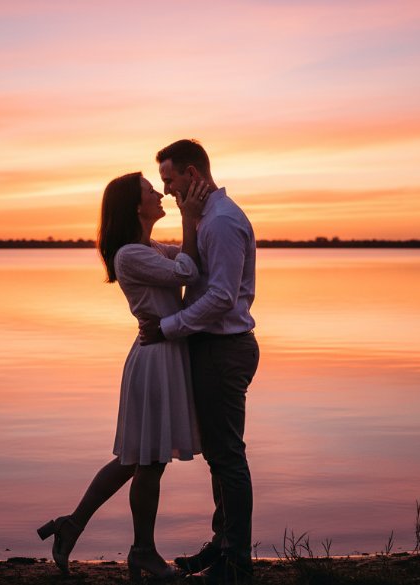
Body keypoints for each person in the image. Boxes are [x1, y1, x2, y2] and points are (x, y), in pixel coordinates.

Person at [38, 171, 209, 582]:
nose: (158, 194)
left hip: (161, 354)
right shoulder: (131, 254)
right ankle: (143, 553)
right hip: (154, 361)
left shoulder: (147, 247)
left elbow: (190, 256)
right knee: (147, 461)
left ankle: (72, 524)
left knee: (135, 458)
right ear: (137, 206)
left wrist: (200, 217)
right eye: (152, 191)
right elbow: (188, 272)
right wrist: (189, 215)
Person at [139, 139, 260, 585]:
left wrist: (167, 327)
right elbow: (185, 264)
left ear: (192, 174)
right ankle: (223, 543)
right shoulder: (204, 220)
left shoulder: (223, 223)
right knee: (218, 454)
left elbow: (222, 297)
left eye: (170, 180)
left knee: (227, 456)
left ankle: (236, 562)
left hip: (224, 349)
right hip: (210, 348)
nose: (167, 189)